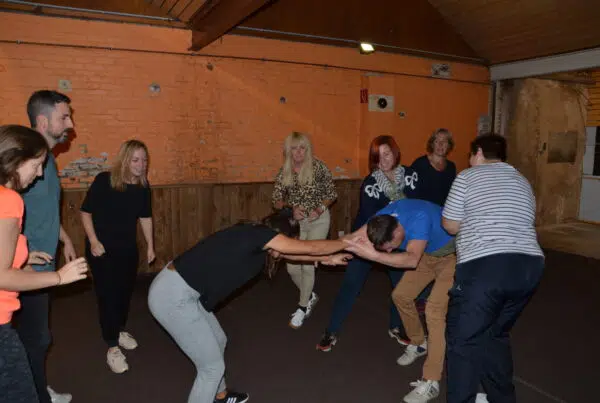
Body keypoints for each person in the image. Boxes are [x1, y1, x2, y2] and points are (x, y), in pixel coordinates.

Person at [148, 210, 351, 403]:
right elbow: (310, 248)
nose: (289, 248)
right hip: (172, 296)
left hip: (183, 290)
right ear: (280, 236)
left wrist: (326, 258)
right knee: (211, 368)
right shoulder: (258, 236)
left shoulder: (258, 239)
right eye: (290, 241)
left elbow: (292, 254)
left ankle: (220, 396)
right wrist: (347, 242)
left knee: (219, 339)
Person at [442, 134, 544, 403]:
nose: (469, 160)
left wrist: (471, 220)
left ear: (478, 153)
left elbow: (450, 225)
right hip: (529, 267)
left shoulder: (467, 177)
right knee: (494, 334)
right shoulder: (522, 180)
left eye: (470, 155)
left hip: (485, 267)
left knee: (463, 342)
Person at [0, 125, 88, 403]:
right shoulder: (9, 200)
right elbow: (1, 276)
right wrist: (59, 277)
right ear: (15, 160)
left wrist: (23, 258)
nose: (39, 174)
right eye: (36, 165)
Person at [344, 198, 456, 403]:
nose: (388, 251)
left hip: (452, 256)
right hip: (427, 253)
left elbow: (411, 260)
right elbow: (352, 237)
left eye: (389, 246)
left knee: (434, 311)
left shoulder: (419, 218)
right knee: (400, 296)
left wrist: (374, 256)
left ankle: (431, 381)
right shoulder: (381, 219)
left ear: (397, 232)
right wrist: (329, 252)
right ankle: (419, 343)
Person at [317, 135, 420, 352]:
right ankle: (331, 330)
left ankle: (396, 326)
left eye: (387, 154)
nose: (383, 160)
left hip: (397, 240)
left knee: (401, 288)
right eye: (377, 156)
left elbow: (417, 207)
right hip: (366, 239)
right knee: (351, 285)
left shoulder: (411, 176)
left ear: (395, 153)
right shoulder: (370, 183)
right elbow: (374, 219)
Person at [16, 90, 77, 403]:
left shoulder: (47, 161)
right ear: (42, 122)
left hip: (42, 262)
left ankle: (35, 387)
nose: (70, 124)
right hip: (26, 268)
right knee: (36, 337)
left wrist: (64, 237)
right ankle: (35, 394)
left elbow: (43, 209)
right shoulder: (23, 162)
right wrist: (19, 261)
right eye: (64, 117)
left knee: (32, 337)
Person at [80, 140, 155, 374]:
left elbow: (145, 217)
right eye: (135, 160)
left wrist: (150, 246)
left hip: (127, 249)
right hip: (101, 249)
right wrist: (93, 241)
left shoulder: (143, 187)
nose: (141, 165)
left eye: (144, 160)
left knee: (124, 293)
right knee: (108, 296)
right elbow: (85, 213)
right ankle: (112, 346)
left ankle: (119, 329)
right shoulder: (105, 181)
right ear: (124, 160)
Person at [272, 132, 338, 328]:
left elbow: (332, 194)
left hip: (318, 220)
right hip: (297, 223)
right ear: (288, 150)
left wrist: (319, 209)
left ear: (307, 150)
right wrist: (291, 207)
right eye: (294, 148)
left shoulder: (318, 167)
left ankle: (302, 308)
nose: (299, 152)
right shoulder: (285, 171)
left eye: (302, 148)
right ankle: (309, 296)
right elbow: (276, 201)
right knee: (292, 267)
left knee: (307, 264)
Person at [410, 128, 456, 207]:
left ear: (449, 145)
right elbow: (410, 191)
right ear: (432, 144)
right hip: (422, 210)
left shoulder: (451, 167)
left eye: (444, 141)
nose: (440, 144)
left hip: (443, 211)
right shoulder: (420, 163)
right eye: (437, 141)